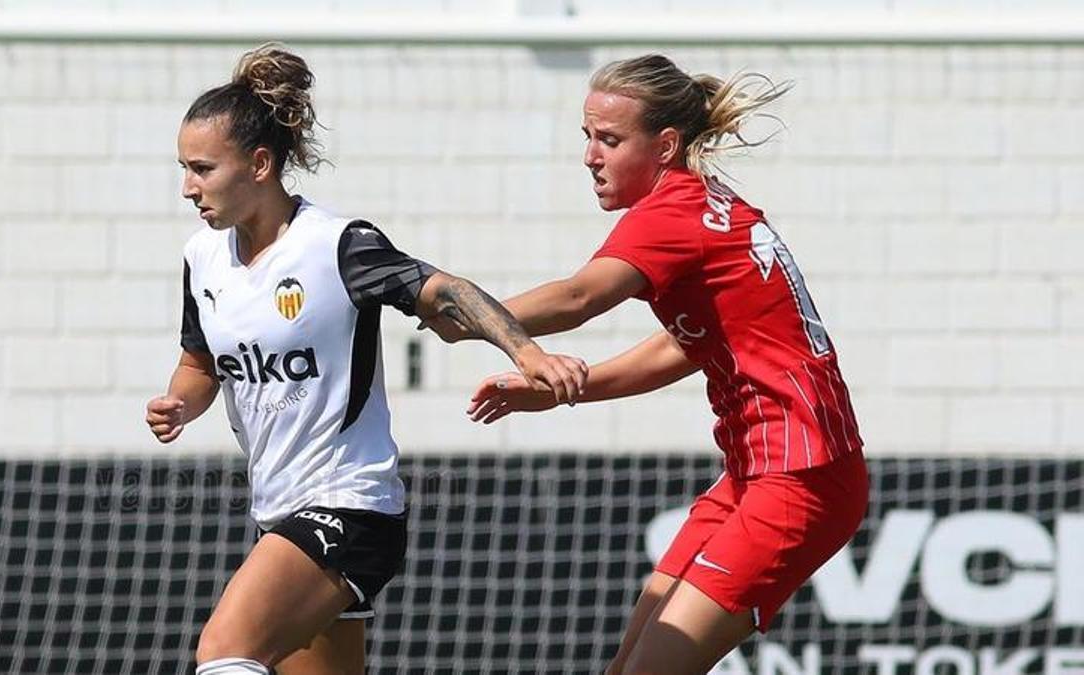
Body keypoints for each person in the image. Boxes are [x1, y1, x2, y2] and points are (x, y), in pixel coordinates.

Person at [143, 43, 587, 675]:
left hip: (350, 508)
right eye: (184, 169)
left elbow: (449, 291)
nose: (188, 187)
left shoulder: (337, 246)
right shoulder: (202, 258)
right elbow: (199, 363)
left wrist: (527, 352)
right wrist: (178, 404)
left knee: (225, 649)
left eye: (203, 169)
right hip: (278, 512)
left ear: (260, 164)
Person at [429, 54, 869, 675]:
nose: (590, 157)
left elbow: (580, 298)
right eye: (588, 137)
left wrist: (466, 313)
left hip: (800, 476)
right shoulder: (701, 202)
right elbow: (684, 346)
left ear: (665, 146)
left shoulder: (672, 213)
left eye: (609, 140)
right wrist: (562, 392)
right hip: (759, 470)